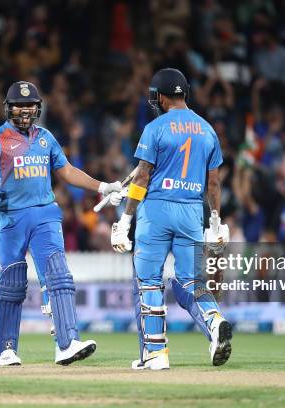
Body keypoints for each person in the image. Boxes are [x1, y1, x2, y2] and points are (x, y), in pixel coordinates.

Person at [0, 81, 122, 366]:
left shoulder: (45, 138)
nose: (25, 109)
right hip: (10, 218)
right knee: (12, 283)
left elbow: (67, 171)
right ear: (8, 108)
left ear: (38, 107)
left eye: (30, 104)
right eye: (19, 104)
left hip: (44, 214)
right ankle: (4, 350)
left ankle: (67, 344)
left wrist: (103, 187)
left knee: (58, 276)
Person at [110, 68, 232, 370]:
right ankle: (215, 322)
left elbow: (142, 177)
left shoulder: (156, 128)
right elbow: (213, 184)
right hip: (192, 212)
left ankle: (156, 353)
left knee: (149, 282)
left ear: (162, 96)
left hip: (157, 211)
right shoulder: (207, 130)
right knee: (191, 281)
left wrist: (125, 220)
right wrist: (215, 222)